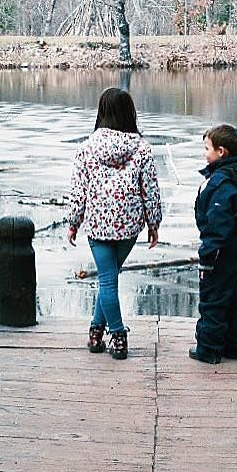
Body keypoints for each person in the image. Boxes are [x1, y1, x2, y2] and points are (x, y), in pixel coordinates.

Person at [66, 86, 162, 360]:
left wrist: (73, 221)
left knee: (108, 281)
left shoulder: (86, 149)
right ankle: (99, 331)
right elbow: (150, 191)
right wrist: (153, 223)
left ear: (102, 113)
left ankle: (116, 336)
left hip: (97, 225)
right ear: (129, 114)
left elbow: (78, 192)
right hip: (129, 226)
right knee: (109, 279)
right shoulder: (141, 149)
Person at [190, 122, 237, 364]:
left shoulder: (221, 185)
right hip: (234, 250)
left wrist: (207, 260)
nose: (204, 153)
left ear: (221, 152)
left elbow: (217, 228)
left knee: (213, 300)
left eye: (207, 148)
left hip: (219, 252)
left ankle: (208, 349)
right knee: (233, 298)